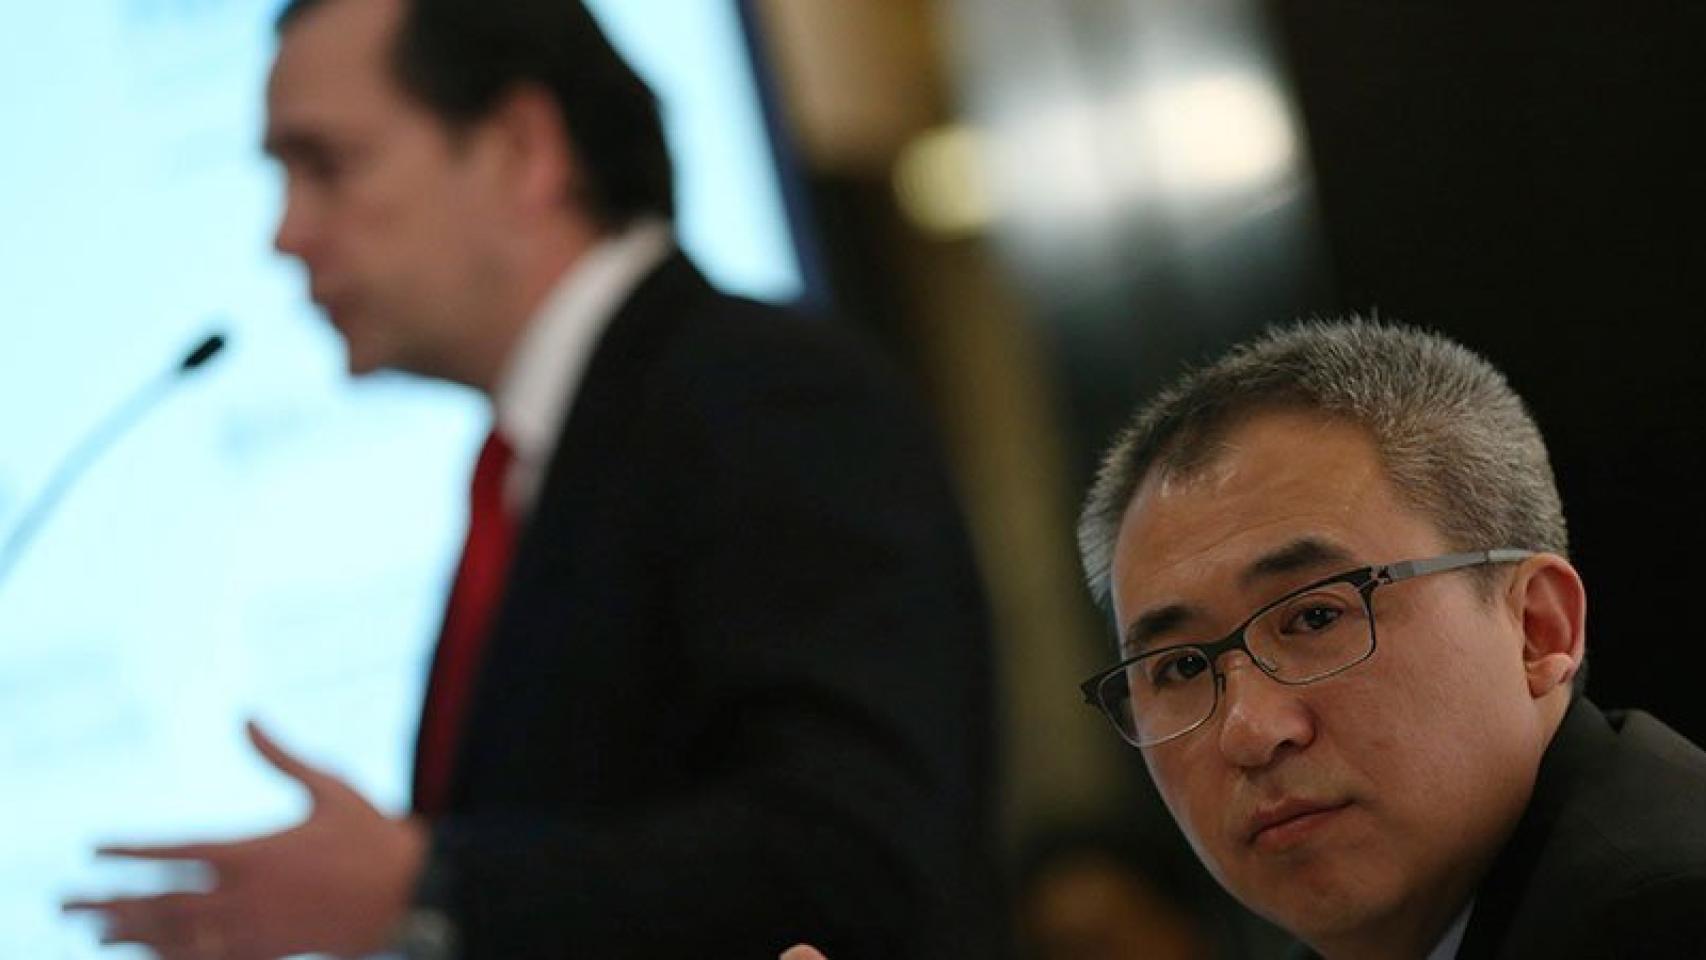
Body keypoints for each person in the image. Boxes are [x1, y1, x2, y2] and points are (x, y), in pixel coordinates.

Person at [64, 0, 994, 957]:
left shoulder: (770, 395)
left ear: (521, 150)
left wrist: (429, 887)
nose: (285, 234)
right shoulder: (550, 457)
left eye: (327, 165)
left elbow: (859, 858)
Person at [1072, 321, 1706, 958]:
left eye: (1315, 618)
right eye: (1181, 667)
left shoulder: (1666, 918)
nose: (1249, 733)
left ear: (1538, 629)